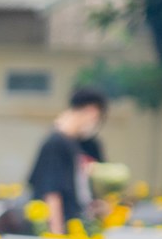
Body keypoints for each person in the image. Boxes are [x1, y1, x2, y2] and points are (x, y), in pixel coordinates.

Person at [26, 87, 107, 228]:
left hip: (77, 225)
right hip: (64, 227)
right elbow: (51, 193)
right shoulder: (56, 143)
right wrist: (57, 237)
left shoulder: (79, 143)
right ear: (92, 111)